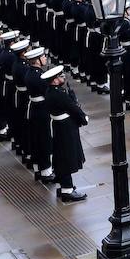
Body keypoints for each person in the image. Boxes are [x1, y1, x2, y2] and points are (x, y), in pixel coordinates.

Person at [43, 65, 87, 202]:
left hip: (59, 126)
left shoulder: (51, 91)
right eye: (60, 76)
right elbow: (72, 108)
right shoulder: (59, 94)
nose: (63, 78)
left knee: (61, 156)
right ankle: (67, 190)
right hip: (65, 128)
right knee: (67, 158)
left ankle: (64, 186)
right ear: (54, 81)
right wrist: (83, 118)